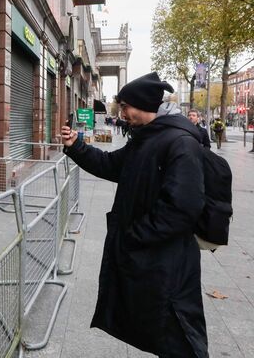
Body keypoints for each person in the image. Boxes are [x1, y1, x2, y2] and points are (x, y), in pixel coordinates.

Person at [61, 72, 208, 358]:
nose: (122, 113)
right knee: (158, 328)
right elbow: (109, 164)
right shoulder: (145, 140)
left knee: (178, 333)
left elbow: (182, 208)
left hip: (168, 260)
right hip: (150, 256)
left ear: (142, 105)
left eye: (125, 106)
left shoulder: (180, 143)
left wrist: (135, 235)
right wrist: (76, 146)